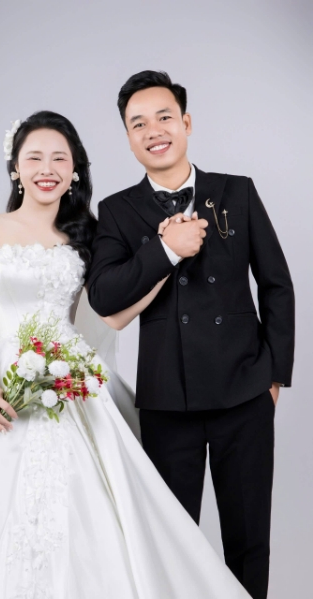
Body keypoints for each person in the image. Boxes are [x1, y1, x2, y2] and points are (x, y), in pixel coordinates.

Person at [0, 110, 251, 598]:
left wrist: (167, 258)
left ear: (74, 170)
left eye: (59, 159)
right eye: (34, 158)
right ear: (16, 168)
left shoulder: (88, 234)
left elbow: (112, 315)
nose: (46, 169)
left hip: (69, 376)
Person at [87, 71, 295, 599]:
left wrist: (274, 377)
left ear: (186, 123)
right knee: (171, 541)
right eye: (138, 123)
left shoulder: (236, 191)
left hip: (244, 392)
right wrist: (165, 250)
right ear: (128, 138)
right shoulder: (116, 210)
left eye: (163, 117)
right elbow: (104, 297)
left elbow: (276, 284)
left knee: (249, 541)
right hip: (166, 400)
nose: (153, 131)